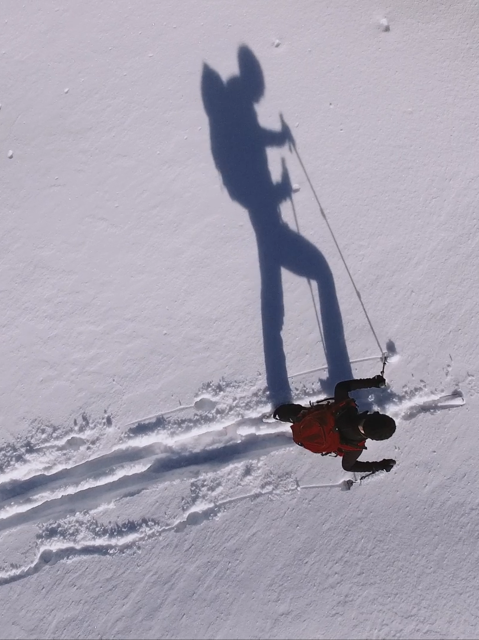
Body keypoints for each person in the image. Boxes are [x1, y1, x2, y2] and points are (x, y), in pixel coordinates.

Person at [273, 375, 396, 473]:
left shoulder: (347, 411)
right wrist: (380, 465)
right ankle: (295, 423)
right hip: (306, 440)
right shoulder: (354, 448)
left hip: (308, 420)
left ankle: (286, 415)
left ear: (373, 415)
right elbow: (348, 467)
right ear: (372, 438)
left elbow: (341, 387)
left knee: (303, 414)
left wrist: (374, 383)